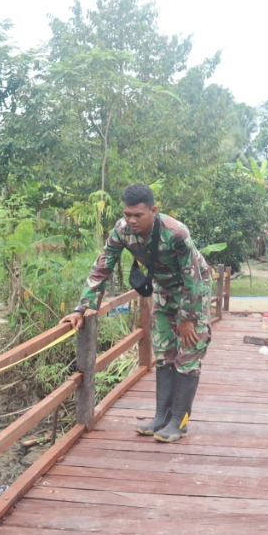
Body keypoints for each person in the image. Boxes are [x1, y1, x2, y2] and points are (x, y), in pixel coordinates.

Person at [59, 183, 212, 443]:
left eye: (137, 215)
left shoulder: (176, 233)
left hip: (192, 293)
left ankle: (178, 421)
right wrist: (82, 308)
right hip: (163, 290)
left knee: (187, 356)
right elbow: (102, 267)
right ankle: (161, 417)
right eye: (127, 214)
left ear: (153, 210)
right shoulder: (121, 231)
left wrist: (187, 319)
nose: (131, 220)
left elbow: (194, 280)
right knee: (163, 354)